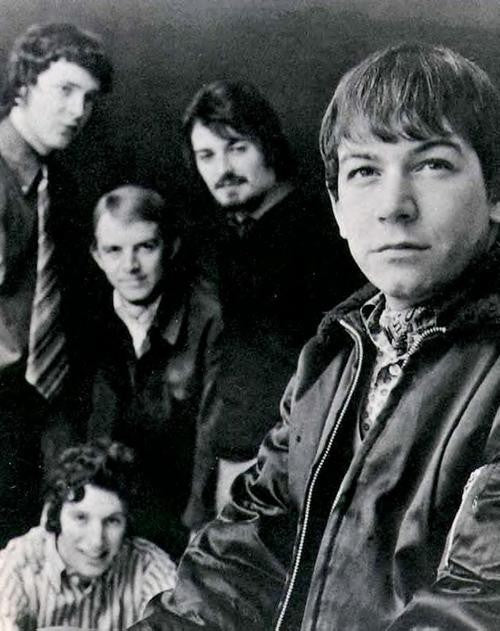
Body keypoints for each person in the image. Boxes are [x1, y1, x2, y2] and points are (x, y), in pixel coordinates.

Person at [129, 43, 500, 630]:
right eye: (365, 171)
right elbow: (243, 561)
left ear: (496, 191)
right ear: (338, 208)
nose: (393, 206)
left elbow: (475, 607)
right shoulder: (333, 359)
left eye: (431, 164)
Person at [182, 80, 360, 528]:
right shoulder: (241, 236)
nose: (223, 169)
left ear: (269, 145)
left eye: (237, 148)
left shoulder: (319, 234)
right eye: (207, 155)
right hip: (245, 461)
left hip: (288, 467)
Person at [0, 22, 113, 547]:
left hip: (39, 410)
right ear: (24, 84)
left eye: (88, 99)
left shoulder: (59, 186)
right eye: (64, 91)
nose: (77, 112)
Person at [87, 184, 222, 558]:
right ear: (96, 255)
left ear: (171, 246)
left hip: (185, 510)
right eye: (114, 250)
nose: (130, 266)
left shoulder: (208, 317)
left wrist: (198, 525)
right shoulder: (90, 314)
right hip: (116, 506)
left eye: (145, 247)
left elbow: (212, 432)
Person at [0, 440, 177, 631]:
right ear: (54, 514)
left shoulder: (147, 565)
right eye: (81, 518)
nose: (96, 541)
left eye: (112, 521)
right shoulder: (17, 564)